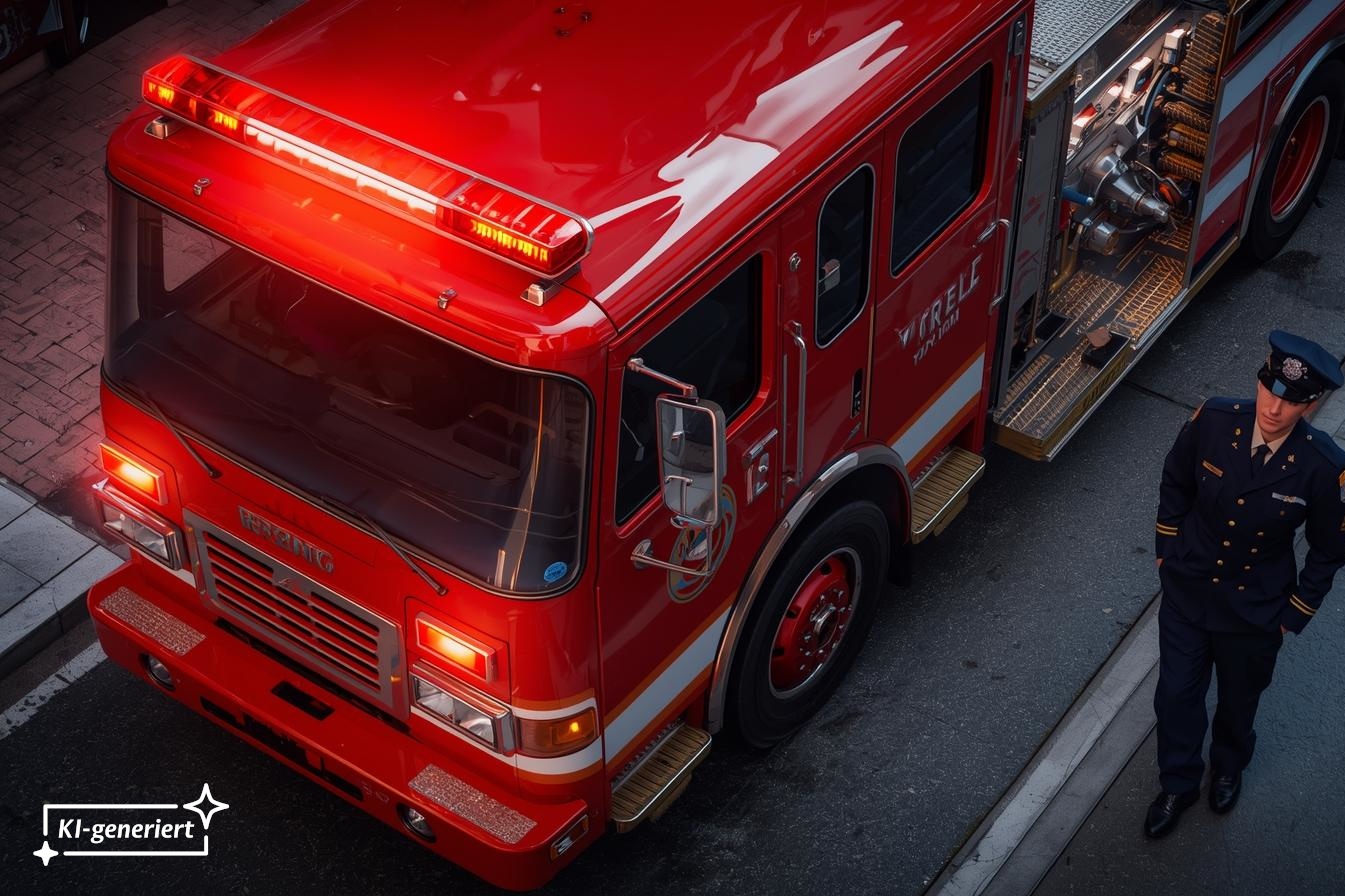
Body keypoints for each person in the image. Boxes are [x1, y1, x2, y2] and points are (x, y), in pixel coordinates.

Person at [1145, 330, 1345, 839]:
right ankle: (1180, 782)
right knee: (1175, 696)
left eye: (1290, 400)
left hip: (1256, 610)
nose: (1274, 408)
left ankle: (1228, 766)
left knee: (1239, 701)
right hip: (1189, 591)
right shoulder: (1214, 420)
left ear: (1312, 404)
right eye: (1269, 389)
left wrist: (1293, 616)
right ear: (1261, 375)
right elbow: (1175, 480)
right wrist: (1167, 551)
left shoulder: (1323, 468)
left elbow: (1328, 550)